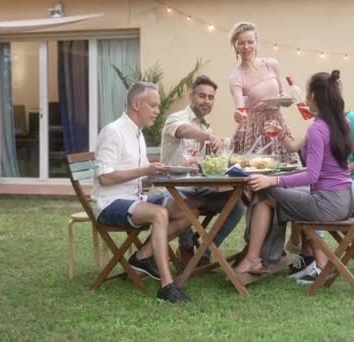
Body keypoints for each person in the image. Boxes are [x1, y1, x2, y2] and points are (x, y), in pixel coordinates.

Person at [234, 70, 353, 286]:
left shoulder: (318, 128)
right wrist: (282, 136)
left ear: (313, 97)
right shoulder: (342, 124)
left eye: (307, 94)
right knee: (273, 199)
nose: (305, 98)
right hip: (344, 201)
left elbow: (311, 175)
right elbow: (299, 148)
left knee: (264, 192)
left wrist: (273, 180)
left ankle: (254, 258)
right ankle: (267, 258)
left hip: (325, 204)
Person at [91, 81, 192, 303]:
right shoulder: (113, 132)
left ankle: (142, 257)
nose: (157, 111)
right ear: (137, 104)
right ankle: (167, 286)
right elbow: (105, 177)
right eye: (153, 105)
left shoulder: (138, 134)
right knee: (160, 214)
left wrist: (166, 172)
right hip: (110, 203)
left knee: (186, 211)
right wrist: (145, 170)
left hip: (135, 199)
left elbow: (142, 174)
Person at [160, 75, 245, 267]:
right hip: (173, 188)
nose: (206, 101)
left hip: (198, 188)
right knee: (185, 203)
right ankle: (186, 249)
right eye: (202, 96)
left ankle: (205, 253)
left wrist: (228, 142)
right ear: (191, 96)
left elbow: (213, 157)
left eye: (210, 97)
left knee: (237, 205)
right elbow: (182, 131)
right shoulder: (177, 118)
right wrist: (206, 137)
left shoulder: (206, 125)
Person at [285, 110, 354, 282]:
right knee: (299, 192)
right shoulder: (318, 125)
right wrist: (282, 135)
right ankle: (306, 254)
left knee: (318, 194)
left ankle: (320, 264)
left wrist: (332, 173)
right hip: (331, 187)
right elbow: (293, 147)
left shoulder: (350, 119)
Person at [227, 21, 296, 162]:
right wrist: (239, 114)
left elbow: (281, 93)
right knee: (257, 169)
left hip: (276, 122)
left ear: (257, 43)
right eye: (241, 43)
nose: (246, 47)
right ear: (235, 45)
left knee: (283, 168)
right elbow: (240, 108)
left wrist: (285, 100)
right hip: (254, 128)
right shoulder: (236, 76)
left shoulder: (271, 64)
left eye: (250, 42)